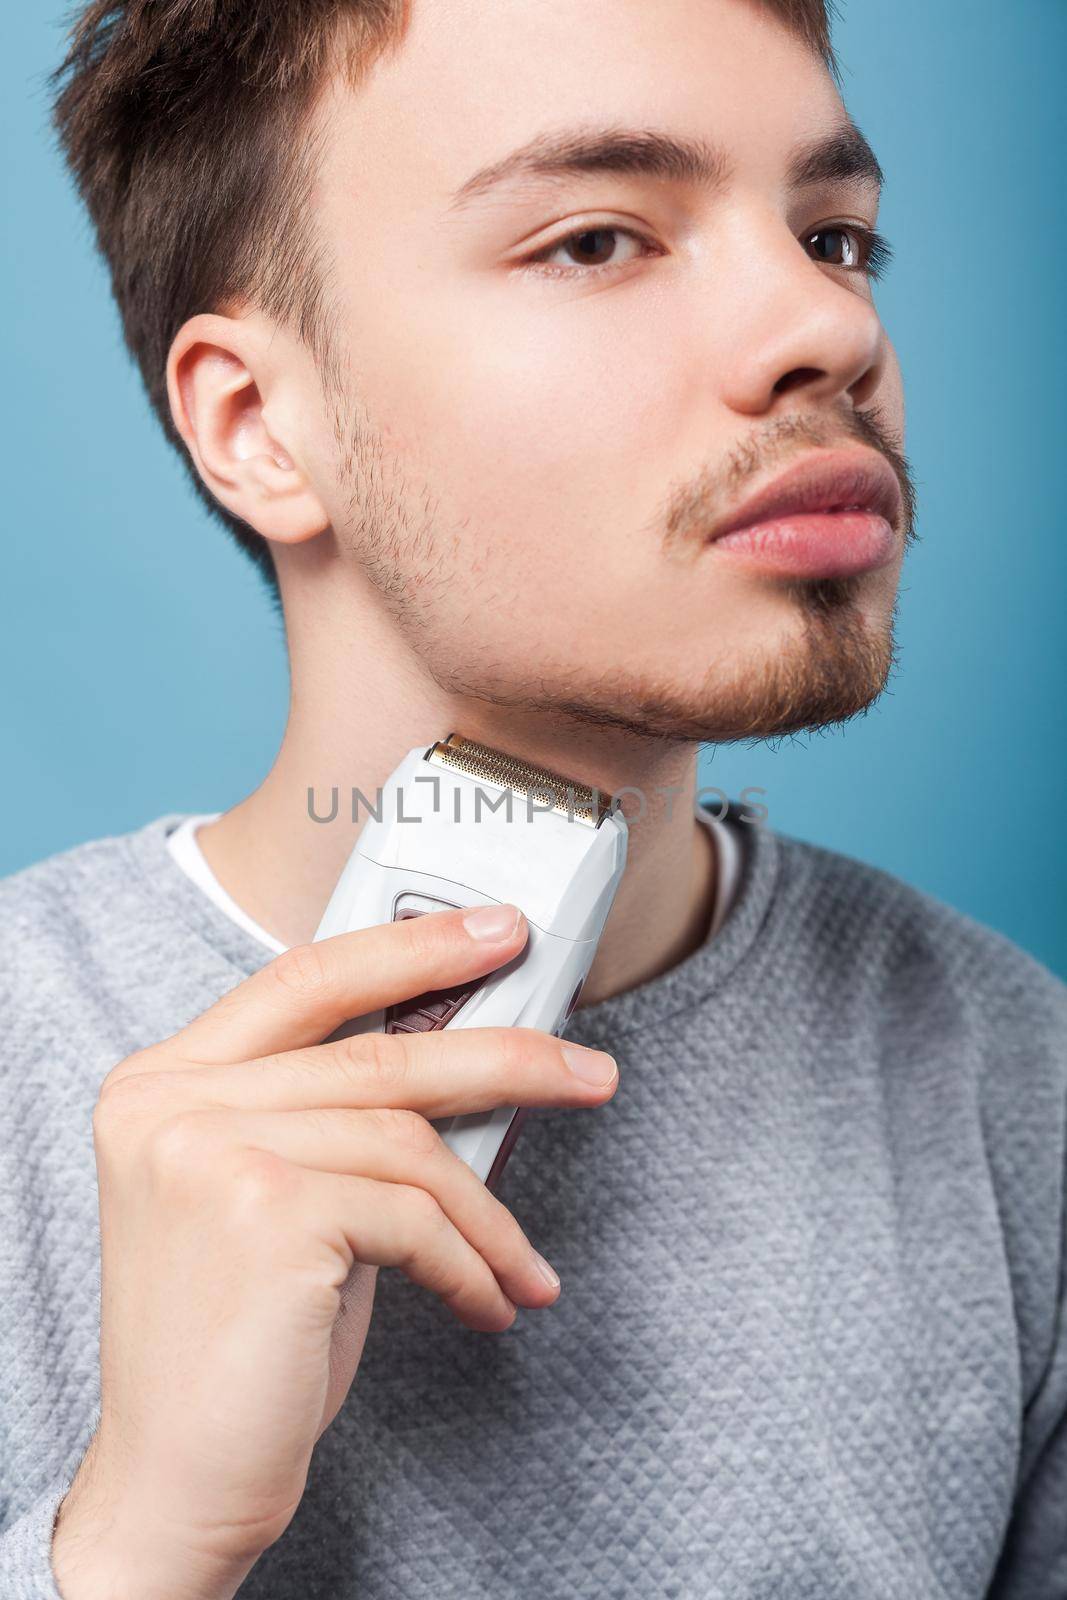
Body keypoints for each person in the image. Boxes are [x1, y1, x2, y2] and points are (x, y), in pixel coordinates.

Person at [1, 0, 1063, 1594]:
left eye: (835, 235)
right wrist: (142, 1537)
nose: (829, 331)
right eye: (594, 241)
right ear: (257, 424)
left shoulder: (1011, 1079)